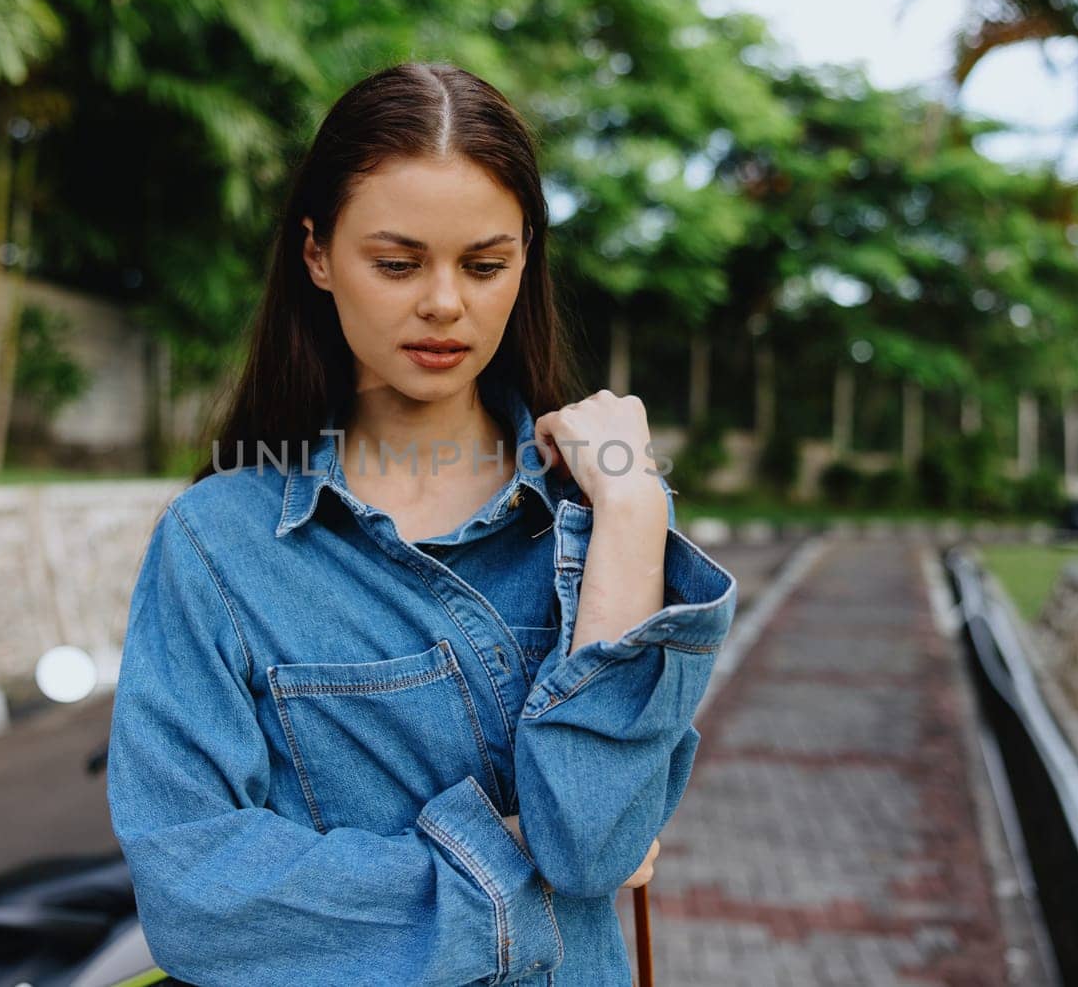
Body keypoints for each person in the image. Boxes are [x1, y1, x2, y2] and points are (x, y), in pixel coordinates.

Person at [106, 61, 738, 987]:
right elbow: (196, 892)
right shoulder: (217, 542)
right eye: (397, 263)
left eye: (485, 265)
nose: (445, 302)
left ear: (527, 257)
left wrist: (637, 503)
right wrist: (507, 875)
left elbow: (595, 849)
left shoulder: (601, 515)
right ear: (316, 254)